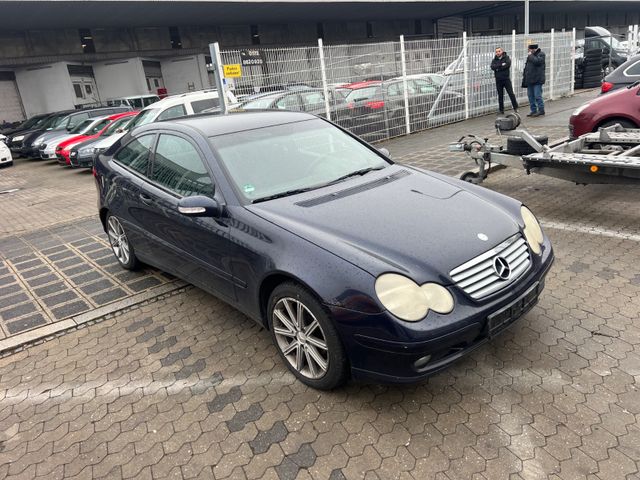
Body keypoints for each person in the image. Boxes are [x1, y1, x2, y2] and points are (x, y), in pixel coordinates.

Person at [490, 47, 518, 114]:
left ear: (502, 51)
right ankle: (501, 110)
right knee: (500, 95)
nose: (497, 53)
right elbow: (492, 67)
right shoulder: (494, 60)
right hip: (498, 80)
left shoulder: (506, 58)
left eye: (499, 51)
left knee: (511, 93)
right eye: (496, 51)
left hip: (506, 79)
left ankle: (515, 107)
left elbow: (507, 65)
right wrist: (501, 65)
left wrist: (498, 68)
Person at [522, 43, 546, 117]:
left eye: (529, 49)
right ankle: (533, 110)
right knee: (530, 96)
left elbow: (537, 62)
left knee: (537, 95)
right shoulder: (530, 56)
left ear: (533, 49)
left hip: (537, 79)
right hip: (530, 80)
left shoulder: (541, 54)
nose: (528, 51)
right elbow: (527, 67)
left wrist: (530, 55)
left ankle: (541, 110)